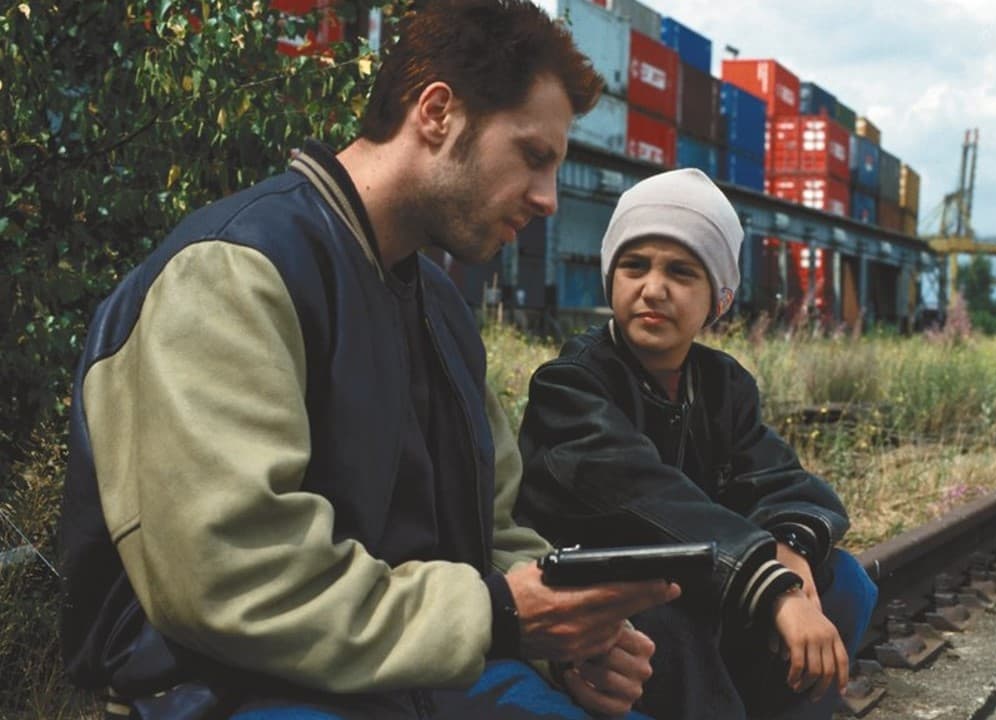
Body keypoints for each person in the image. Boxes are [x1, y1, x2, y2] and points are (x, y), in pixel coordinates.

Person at [57, 2, 680, 718]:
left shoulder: (441, 311)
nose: (546, 200)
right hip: (228, 688)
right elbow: (232, 575)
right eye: (534, 157)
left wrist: (568, 630)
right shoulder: (234, 273)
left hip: (416, 674)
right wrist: (499, 617)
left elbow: (492, 532)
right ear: (438, 112)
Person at [516, 168, 880, 719]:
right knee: (670, 619)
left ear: (718, 298)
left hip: (701, 577)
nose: (653, 288)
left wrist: (790, 545)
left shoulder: (722, 383)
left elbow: (778, 477)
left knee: (845, 581)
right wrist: (767, 579)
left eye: (681, 272)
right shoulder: (571, 383)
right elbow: (646, 498)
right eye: (634, 266)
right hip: (613, 597)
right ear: (611, 276)